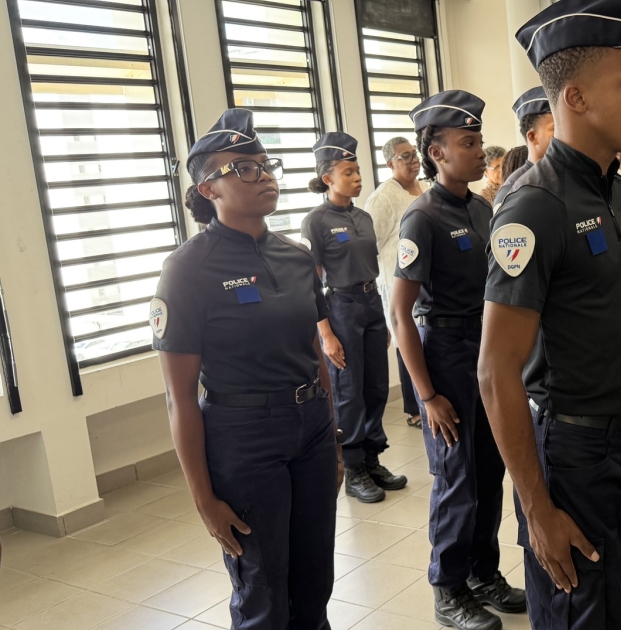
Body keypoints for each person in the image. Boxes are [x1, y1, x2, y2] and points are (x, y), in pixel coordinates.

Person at [477, 1, 621, 628]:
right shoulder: (534, 206)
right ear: (577, 97)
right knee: (581, 614)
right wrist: (536, 509)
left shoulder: (618, 191)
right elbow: (495, 370)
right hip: (572, 453)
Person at [152, 108, 340, 628]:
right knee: (263, 589)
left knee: (314, 578)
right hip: (244, 438)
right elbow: (180, 397)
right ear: (209, 189)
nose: (266, 176)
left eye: (266, 164)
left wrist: (333, 441)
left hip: (312, 431)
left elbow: (313, 351)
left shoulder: (297, 257)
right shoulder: (188, 270)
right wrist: (203, 498)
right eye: (245, 169)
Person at [393, 90, 524, 630]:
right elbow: (402, 316)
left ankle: (482, 574)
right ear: (436, 151)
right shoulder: (420, 217)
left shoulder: (480, 206)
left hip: (485, 350)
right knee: (457, 479)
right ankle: (447, 587)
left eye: (478, 142)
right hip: (445, 352)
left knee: (491, 470)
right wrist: (427, 396)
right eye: (467, 143)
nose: (479, 153)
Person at [301, 132, 407, 503]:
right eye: (348, 172)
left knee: (376, 386)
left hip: (371, 304)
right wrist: (325, 333)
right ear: (328, 178)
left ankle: (373, 457)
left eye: (359, 171)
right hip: (341, 308)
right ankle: (354, 467)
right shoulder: (316, 221)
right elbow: (312, 283)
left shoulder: (362, 216)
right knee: (349, 393)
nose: (357, 178)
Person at [364, 136, 428, 428]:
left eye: (414, 154)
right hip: (398, 278)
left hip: (426, 278)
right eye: (404, 157)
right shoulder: (382, 197)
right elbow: (370, 244)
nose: (412, 160)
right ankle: (414, 408)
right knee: (407, 338)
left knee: (424, 338)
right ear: (390, 163)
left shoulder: (423, 188)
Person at [494, 86, 555, 209]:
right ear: (532, 137)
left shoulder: (567, 176)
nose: (563, 134)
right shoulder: (512, 190)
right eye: (555, 129)